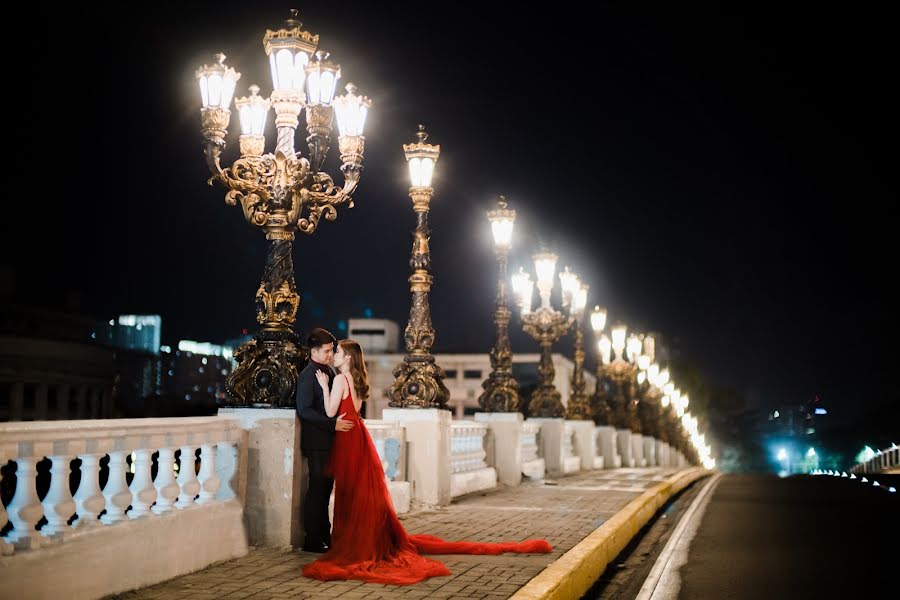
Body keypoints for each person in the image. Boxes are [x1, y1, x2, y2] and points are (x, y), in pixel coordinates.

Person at [302, 339, 552, 585]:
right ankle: (360, 539)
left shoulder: (338, 379)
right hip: (358, 435)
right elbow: (354, 410)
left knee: (349, 492)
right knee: (360, 492)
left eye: (338, 352)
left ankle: (351, 542)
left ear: (347, 358)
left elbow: (331, 411)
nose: (334, 354)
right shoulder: (356, 380)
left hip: (346, 437)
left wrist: (323, 387)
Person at [296, 328, 355, 553]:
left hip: (329, 442)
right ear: (314, 351)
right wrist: (333, 425)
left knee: (324, 490)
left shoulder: (328, 372)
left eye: (332, 351)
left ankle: (325, 536)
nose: (331, 355)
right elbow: (305, 410)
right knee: (317, 490)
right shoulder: (308, 375)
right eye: (327, 351)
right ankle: (312, 540)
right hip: (316, 442)